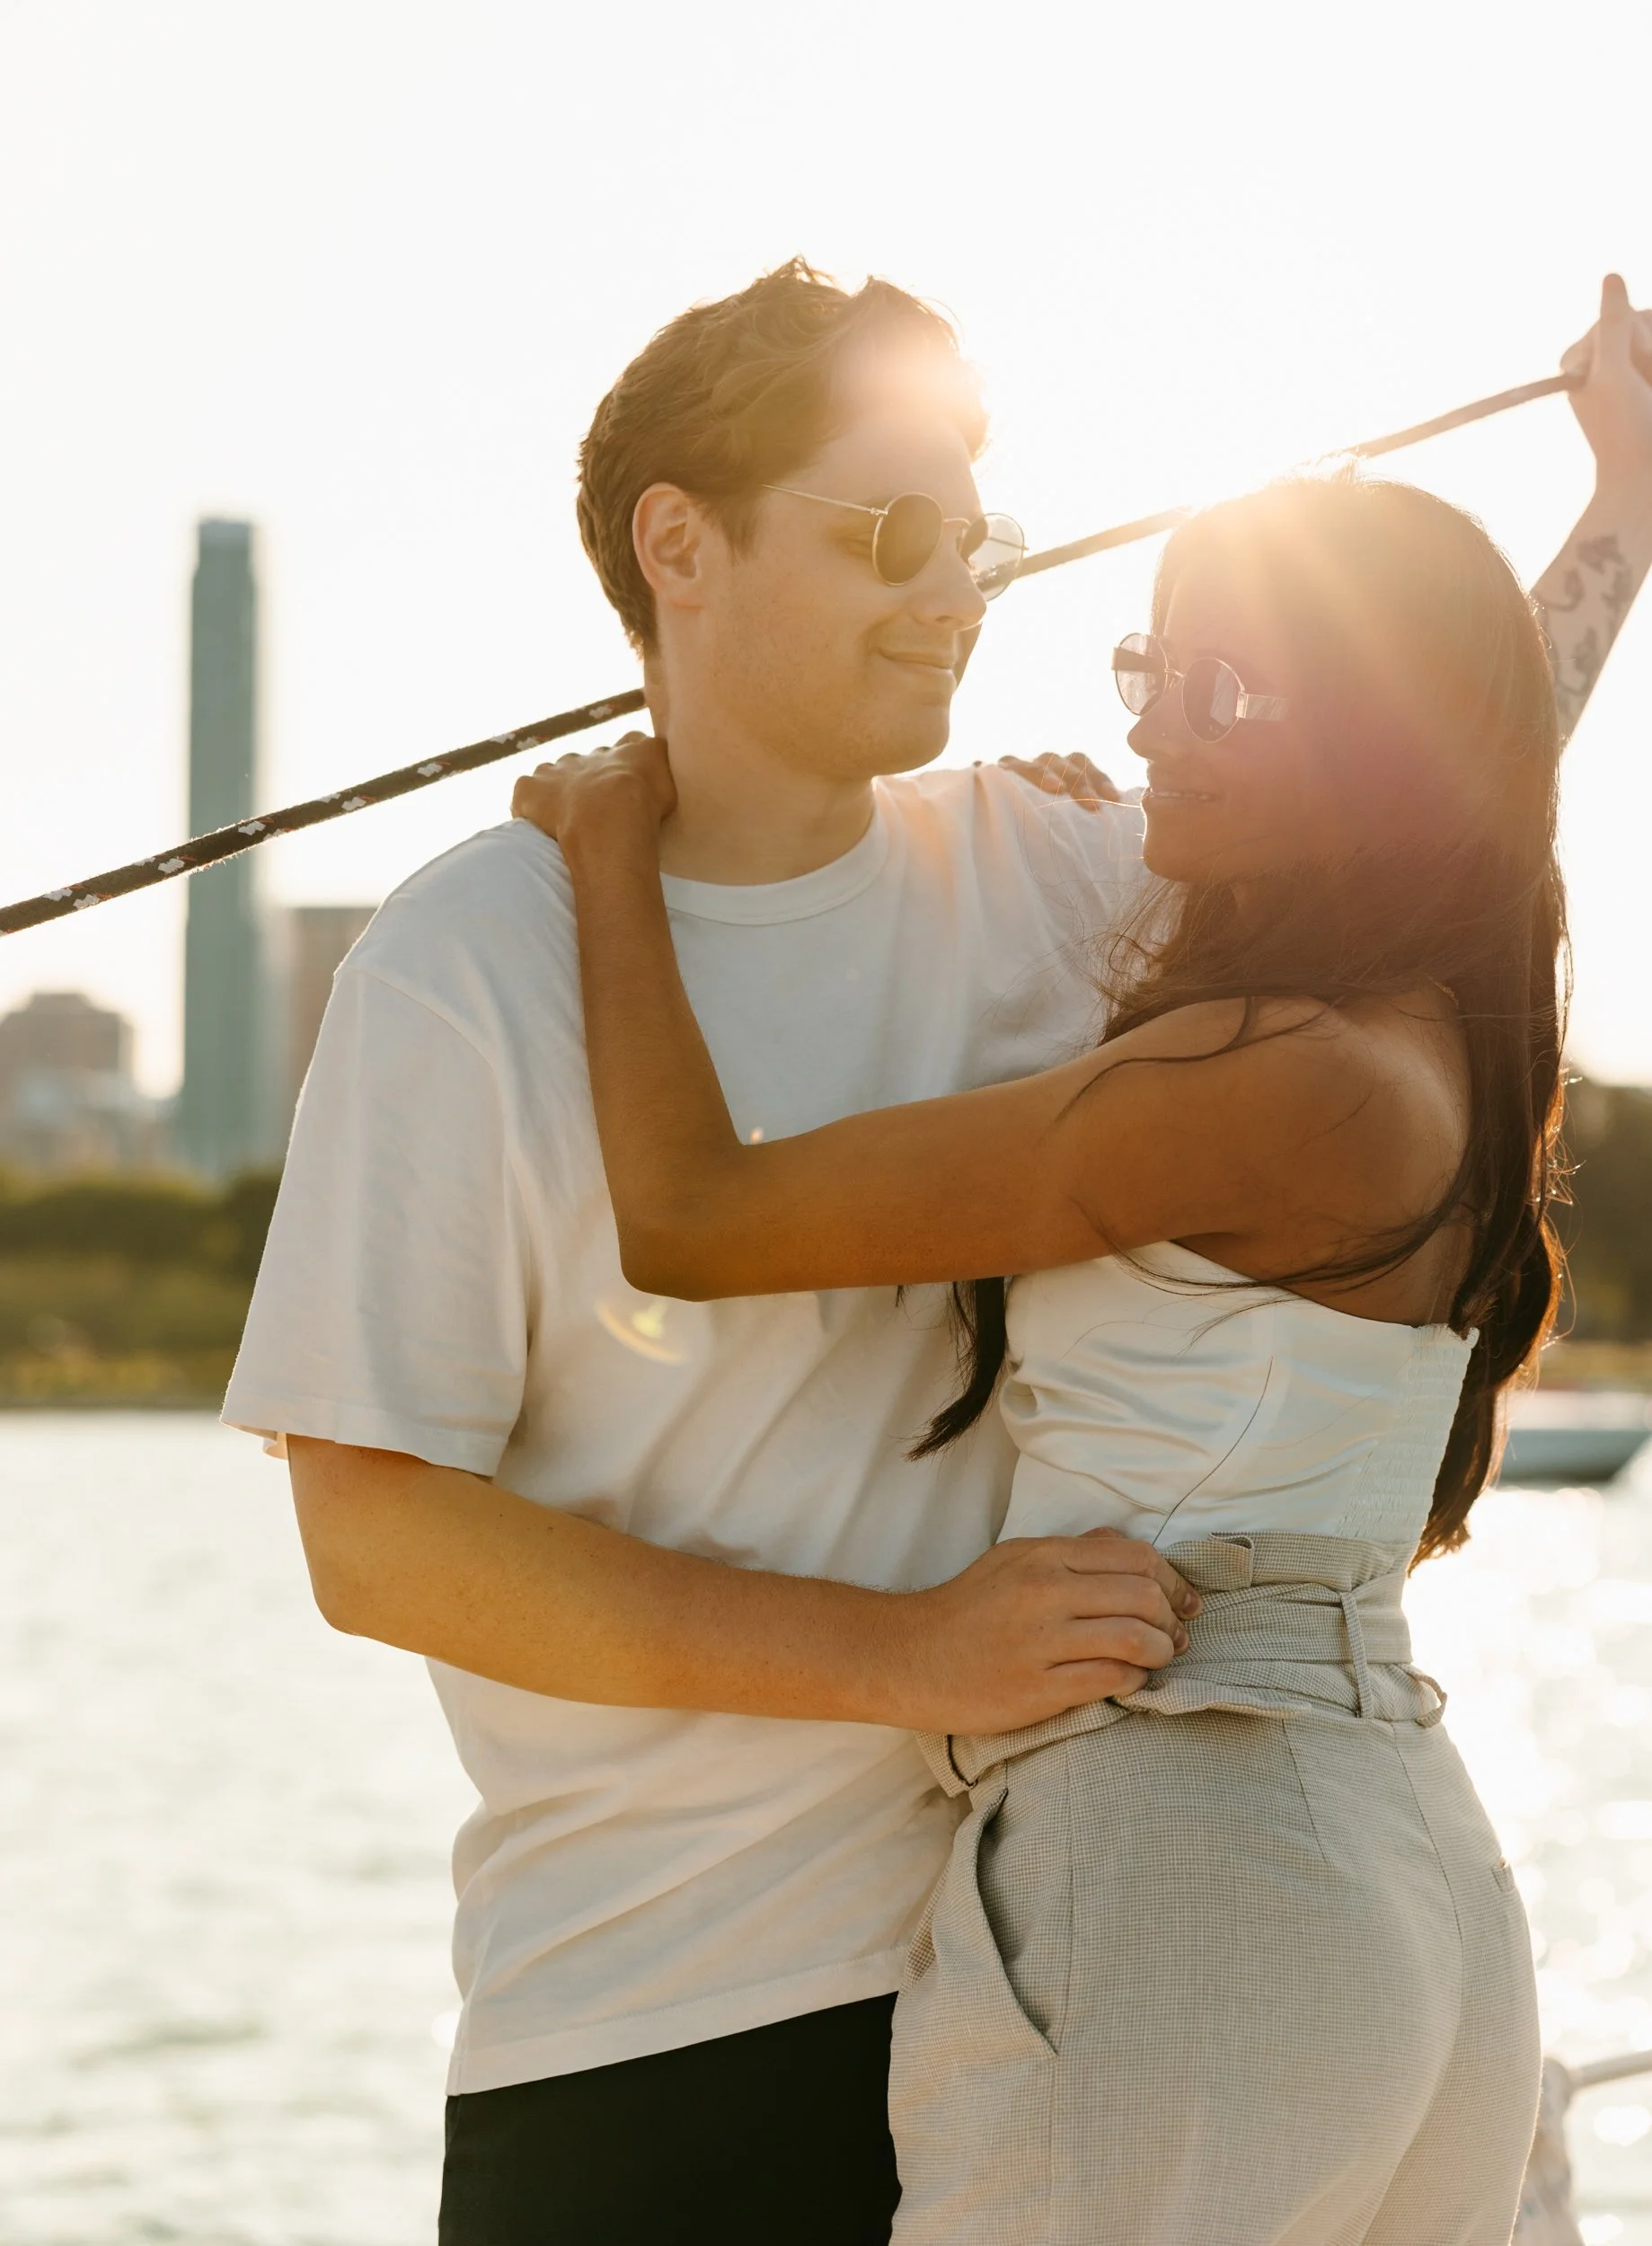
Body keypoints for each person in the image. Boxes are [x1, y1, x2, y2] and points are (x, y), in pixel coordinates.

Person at [224, 264, 1652, 2246]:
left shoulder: (1073, 876)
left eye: (972, 536)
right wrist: (897, 1655)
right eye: (893, 531)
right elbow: (376, 1538)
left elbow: (1425, 779)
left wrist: (1615, 516)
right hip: (673, 2023)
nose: (959, 587)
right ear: (678, 545)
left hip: (1082, 1940)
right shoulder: (469, 961)